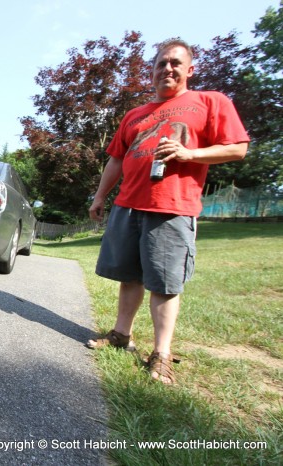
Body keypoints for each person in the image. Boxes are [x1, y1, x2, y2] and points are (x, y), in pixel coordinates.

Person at [86, 38, 249, 384]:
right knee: (128, 275)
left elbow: (237, 149)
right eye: (161, 63)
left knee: (163, 281)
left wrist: (189, 155)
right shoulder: (134, 115)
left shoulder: (210, 101)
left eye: (175, 62)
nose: (167, 69)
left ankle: (161, 353)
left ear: (190, 69)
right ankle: (121, 335)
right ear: (153, 71)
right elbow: (116, 158)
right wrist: (100, 196)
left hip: (172, 206)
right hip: (129, 204)